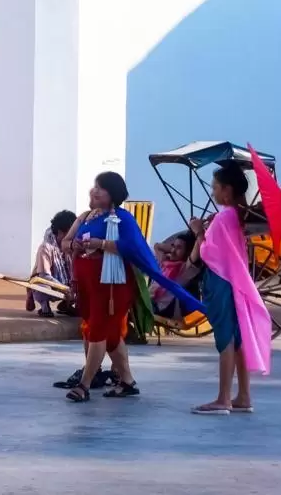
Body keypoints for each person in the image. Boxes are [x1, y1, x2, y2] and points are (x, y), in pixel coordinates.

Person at [61, 171, 204, 403]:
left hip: (111, 287)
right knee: (110, 335)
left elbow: (130, 246)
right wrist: (73, 245)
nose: (94, 190)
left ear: (113, 195)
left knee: (97, 330)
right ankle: (127, 382)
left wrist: (101, 244)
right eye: (95, 186)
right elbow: (65, 242)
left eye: (101, 188)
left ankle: (84, 385)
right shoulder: (85, 217)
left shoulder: (123, 219)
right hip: (86, 285)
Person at [190, 161, 272, 415]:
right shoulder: (236, 214)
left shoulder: (224, 216)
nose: (213, 192)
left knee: (224, 339)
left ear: (226, 190)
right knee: (237, 340)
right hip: (234, 280)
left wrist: (198, 233)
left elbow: (207, 253)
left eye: (215, 187)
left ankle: (223, 397)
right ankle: (244, 395)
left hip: (220, 280)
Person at [27, 210, 78, 317]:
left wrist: (73, 286)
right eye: (70, 233)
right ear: (60, 232)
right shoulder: (45, 247)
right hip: (48, 283)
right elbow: (44, 276)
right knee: (40, 286)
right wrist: (64, 288)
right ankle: (45, 307)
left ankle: (66, 305)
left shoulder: (71, 246)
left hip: (66, 284)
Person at [150, 232, 200, 320]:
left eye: (179, 248)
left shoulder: (185, 269)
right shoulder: (164, 262)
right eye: (173, 246)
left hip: (161, 308)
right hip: (150, 301)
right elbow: (157, 246)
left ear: (188, 252)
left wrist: (198, 232)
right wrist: (174, 249)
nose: (173, 250)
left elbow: (197, 248)